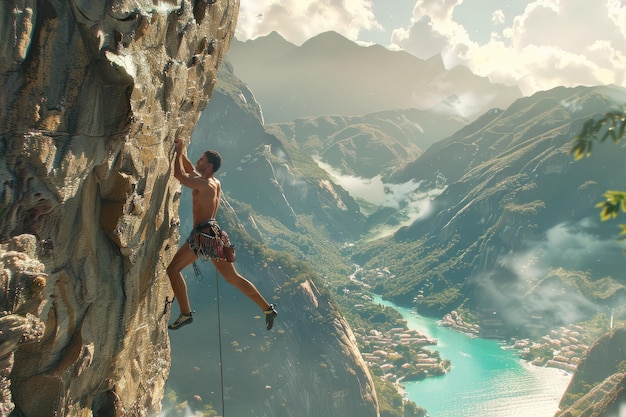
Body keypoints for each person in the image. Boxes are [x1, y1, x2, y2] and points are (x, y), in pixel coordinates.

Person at [166, 139, 277, 330]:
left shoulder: (204, 185)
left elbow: (179, 174)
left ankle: (185, 313)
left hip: (202, 235)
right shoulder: (214, 183)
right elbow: (190, 170)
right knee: (232, 277)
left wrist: (177, 153)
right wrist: (181, 151)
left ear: (209, 166)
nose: (197, 163)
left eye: (201, 160)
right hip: (214, 233)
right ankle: (267, 308)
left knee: (173, 269)